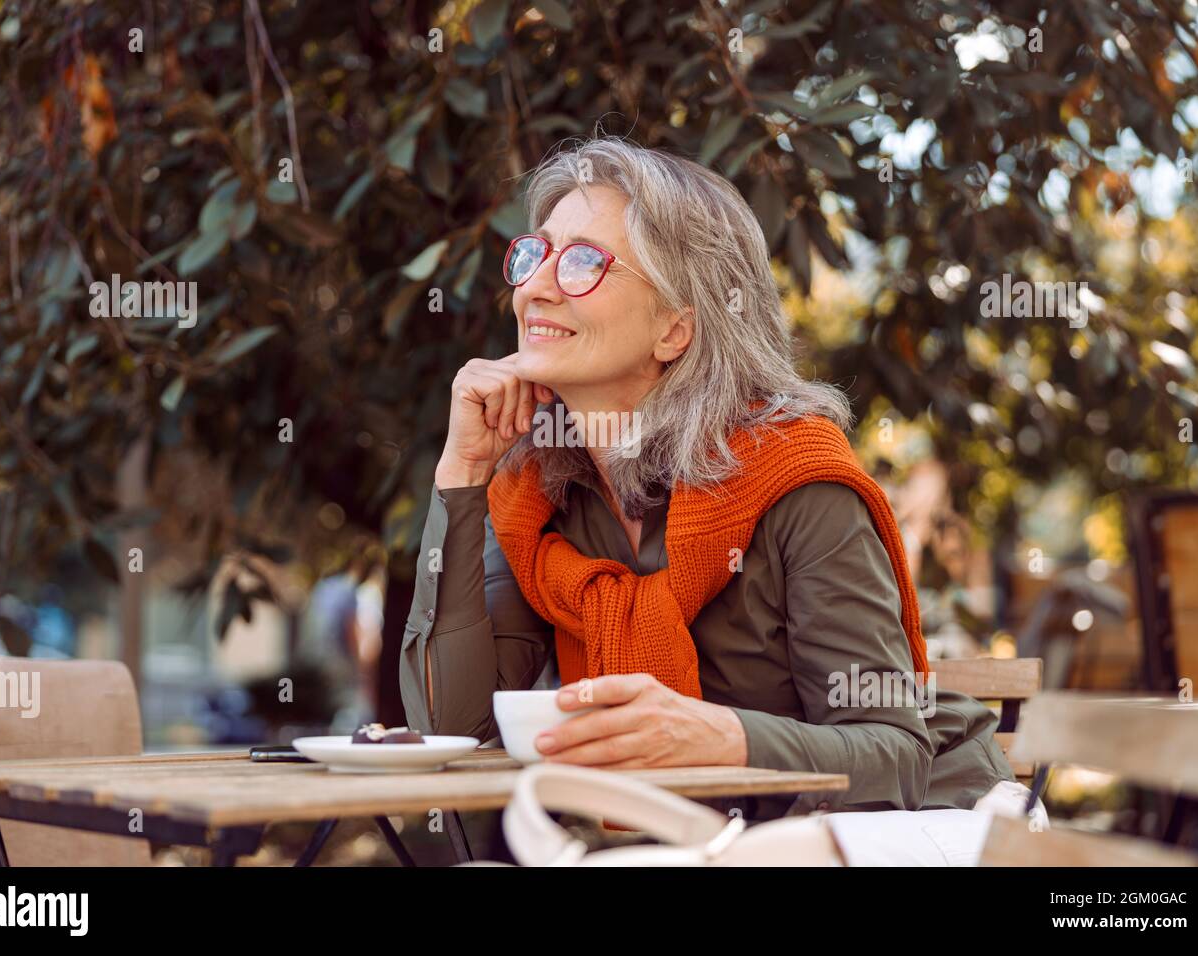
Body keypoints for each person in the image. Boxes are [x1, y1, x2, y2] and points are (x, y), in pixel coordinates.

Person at [399, 135, 1029, 835]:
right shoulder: (533, 492)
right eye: (535, 252)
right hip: (712, 845)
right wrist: (460, 478)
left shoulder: (797, 477)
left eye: (582, 262)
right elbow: (453, 731)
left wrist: (721, 736)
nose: (536, 285)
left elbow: (894, 756)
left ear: (675, 328)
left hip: (925, 828)